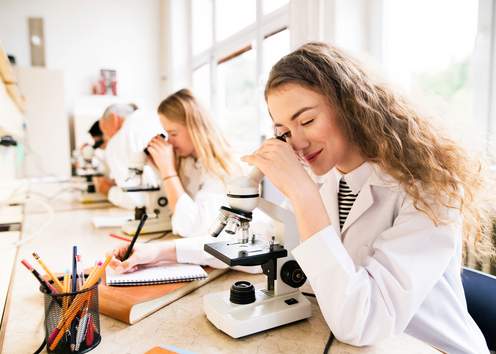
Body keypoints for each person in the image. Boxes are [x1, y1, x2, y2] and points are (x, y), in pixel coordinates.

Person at [240, 42, 492, 354]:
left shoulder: (430, 188)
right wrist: (171, 252)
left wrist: (303, 195)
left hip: (431, 348)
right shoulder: (326, 180)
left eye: (307, 121)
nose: (298, 143)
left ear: (349, 104)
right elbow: (259, 245)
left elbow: (363, 323)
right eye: (285, 132)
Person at [109, 89, 260, 272]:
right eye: (166, 134)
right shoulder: (189, 161)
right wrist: (159, 166)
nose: (169, 142)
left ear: (195, 129)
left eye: (173, 133)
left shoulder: (223, 169)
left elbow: (192, 228)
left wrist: (168, 171)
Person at [93, 103, 164, 207]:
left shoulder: (117, 141)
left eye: (104, 130)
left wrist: (107, 190)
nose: (106, 137)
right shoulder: (152, 115)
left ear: (114, 118)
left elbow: (135, 201)